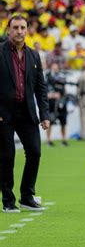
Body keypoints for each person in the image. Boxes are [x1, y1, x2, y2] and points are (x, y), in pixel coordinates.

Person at [0, 15, 49, 213]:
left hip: (27, 112)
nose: (19, 31)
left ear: (27, 30)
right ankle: (8, 200)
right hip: (3, 114)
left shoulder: (34, 55)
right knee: (7, 156)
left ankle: (27, 197)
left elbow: (40, 86)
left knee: (35, 152)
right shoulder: (0, 51)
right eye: (16, 27)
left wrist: (45, 114)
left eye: (23, 27)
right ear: (8, 30)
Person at [45, 62, 69, 146]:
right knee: (50, 121)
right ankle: (49, 140)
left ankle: (64, 140)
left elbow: (64, 90)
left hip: (61, 103)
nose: (55, 69)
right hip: (51, 103)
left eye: (56, 68)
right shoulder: (47, 78)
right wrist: (51, 95)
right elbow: (44, 92)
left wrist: (62, 97)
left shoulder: (61, 78)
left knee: (63, 121)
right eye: (53, 68)